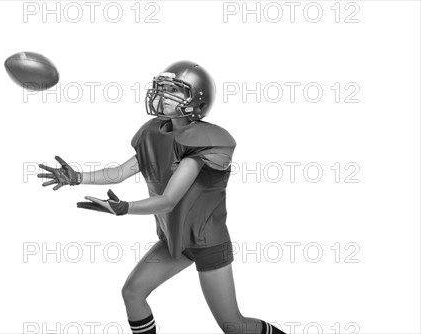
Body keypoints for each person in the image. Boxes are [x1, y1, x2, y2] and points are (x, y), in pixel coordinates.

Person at [37, 61, 286, 334]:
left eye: (174, 91)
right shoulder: (154, 132)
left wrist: (124, 208)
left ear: (197, 100)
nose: (164, 95)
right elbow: (120, 172)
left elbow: (169, 200)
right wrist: (78, 178)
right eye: (163, 88)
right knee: (133, 292)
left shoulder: (203, 139)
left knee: (233, 325)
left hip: (206, 242)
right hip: (174, 239)